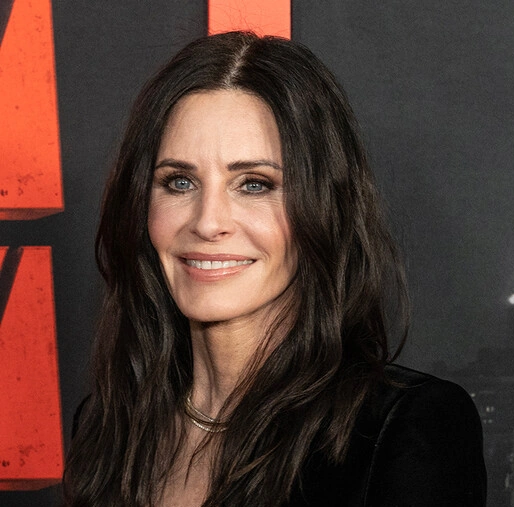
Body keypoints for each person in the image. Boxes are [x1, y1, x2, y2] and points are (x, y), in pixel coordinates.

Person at [63, 31, 486, 507]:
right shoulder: (107, 425)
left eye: (254, 184)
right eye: (179, 182)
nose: (207, 222)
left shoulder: (402, 431)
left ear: (324, 208)